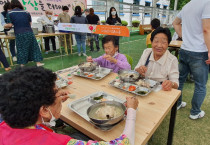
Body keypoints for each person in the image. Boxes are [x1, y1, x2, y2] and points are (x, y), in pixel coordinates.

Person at [0, 66, 139, 145]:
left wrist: (53, 103)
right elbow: (126, 143)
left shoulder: (6, 125)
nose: (59, 93)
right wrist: (131, 110)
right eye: (55, 92)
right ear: (43, 110)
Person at [173, 0, 210, 119]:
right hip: (199, 52)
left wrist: (186, 37)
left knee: (180, 79)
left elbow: (175, 23)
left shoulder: (187, 6)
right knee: (200, 85)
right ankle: (195, 112)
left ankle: (177, 104)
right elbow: (206, 29)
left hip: (184, 50)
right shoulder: (207, 3)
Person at [135, 27, 179, 91]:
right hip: (143, 88)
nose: (159, 46)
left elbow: (176, 84)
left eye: (163, 42)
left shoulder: (172, 60)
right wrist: (139, 70)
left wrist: (170, 83)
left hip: (160, 91)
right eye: (156, 41)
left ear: (168, 44)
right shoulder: (147, 52)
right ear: (151, 42)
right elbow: (135, 71)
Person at [4, 0, 43, 67]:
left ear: (12, 5)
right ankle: (38, 63)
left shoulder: (10, 13)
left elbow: (10, 25)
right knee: (34, 47)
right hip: (29, 32)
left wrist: (5, 25)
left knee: (21, 48)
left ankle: (22, 64)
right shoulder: (26, 12)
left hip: (19, 33)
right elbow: (30, 23)